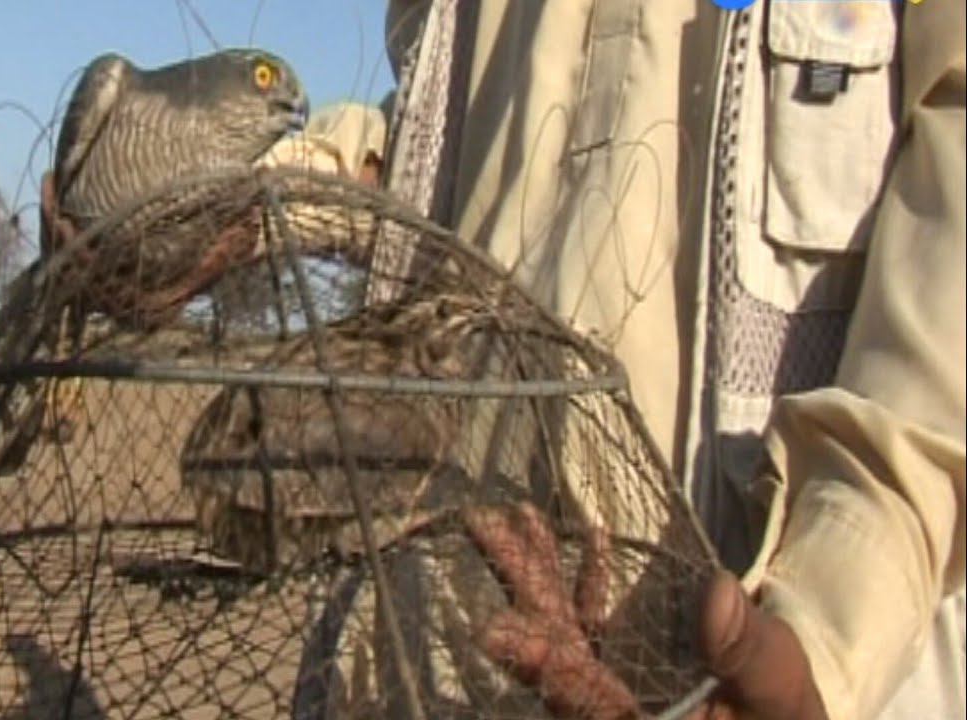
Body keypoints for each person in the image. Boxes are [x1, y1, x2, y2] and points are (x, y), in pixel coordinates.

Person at [347, 1, 961, 719]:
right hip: (456, 650)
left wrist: (832, 633)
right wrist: (312, 180)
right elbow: (445, 132)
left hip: (783, 670)